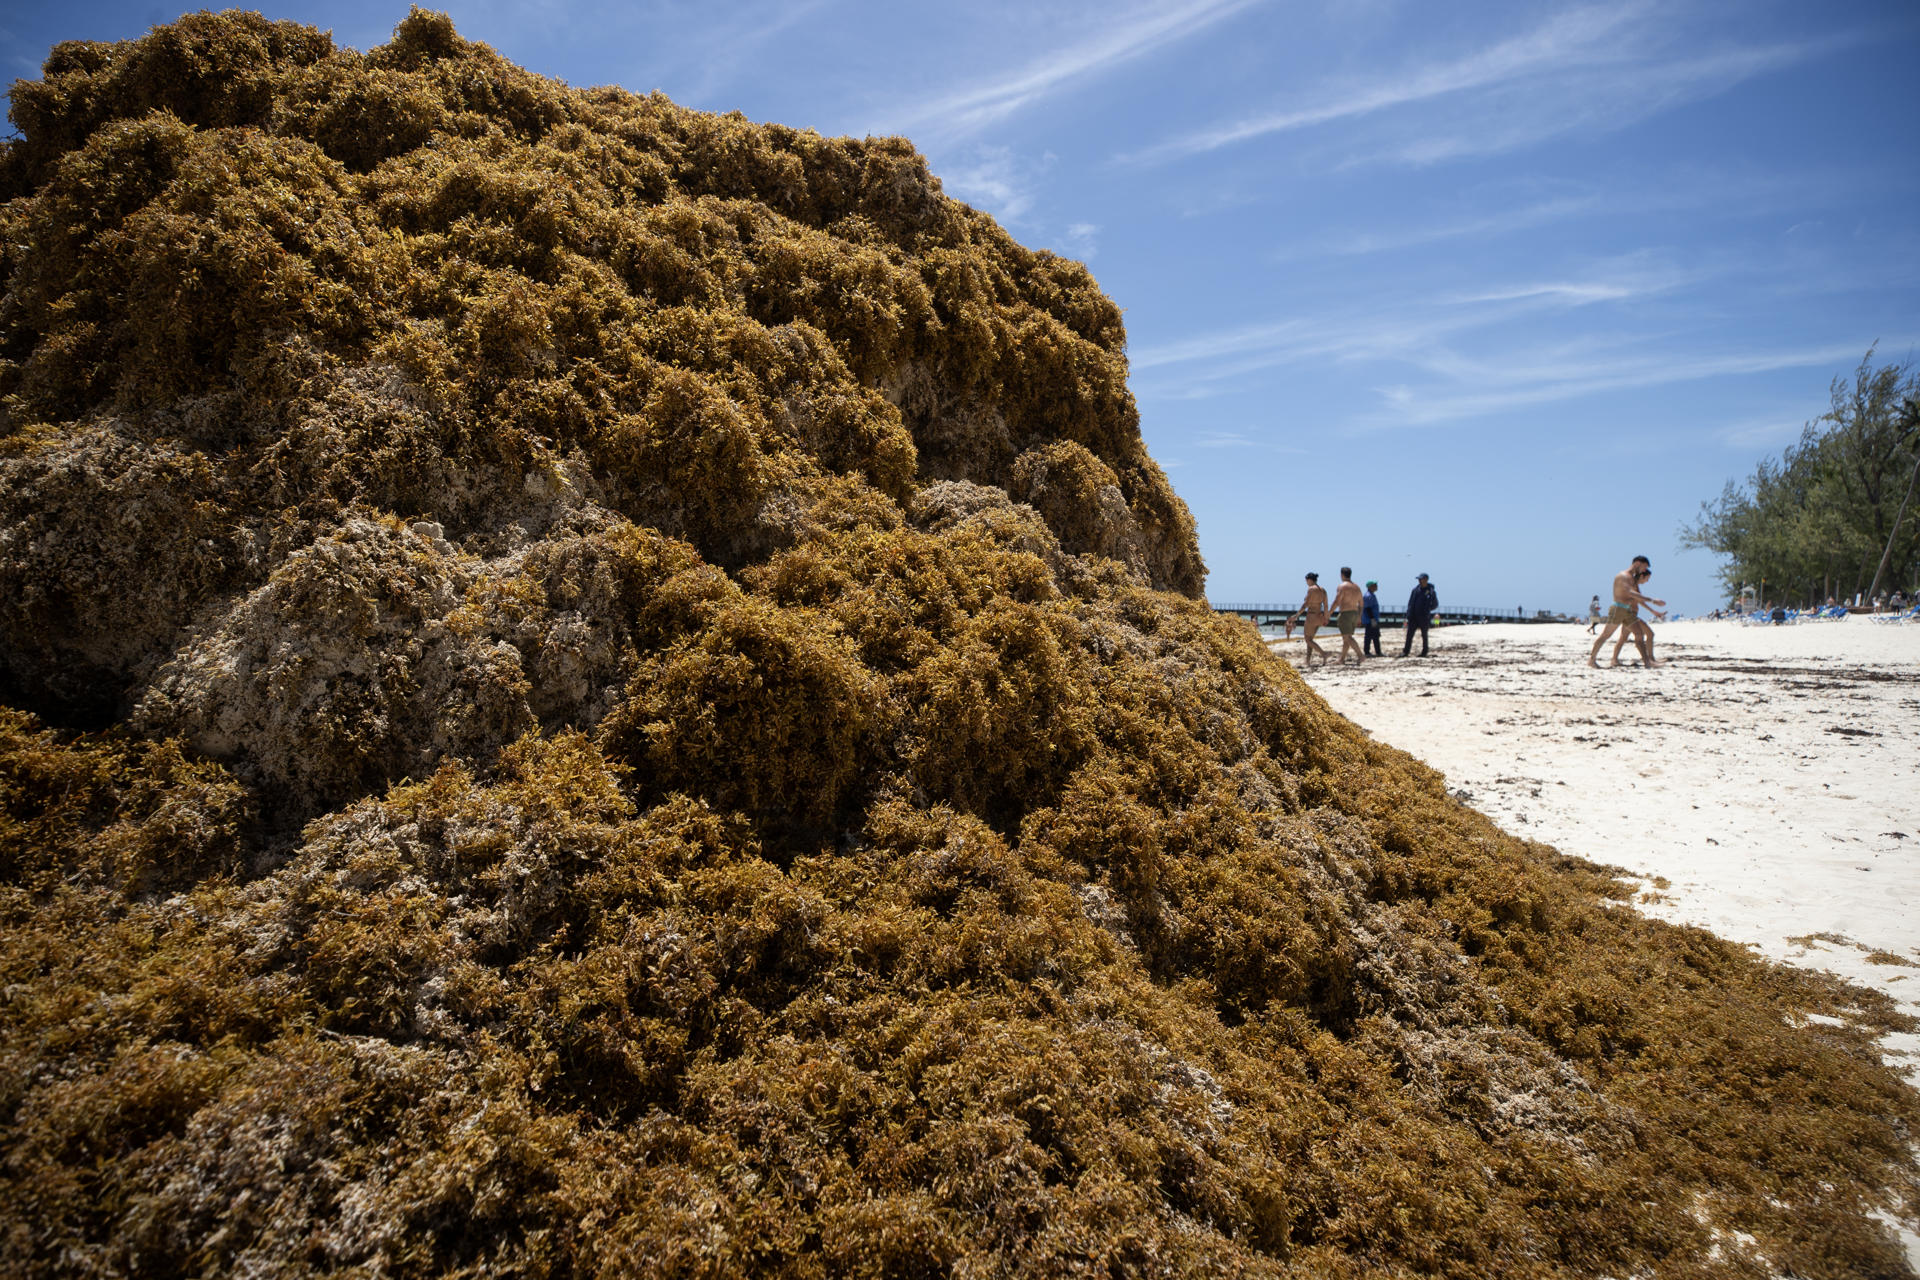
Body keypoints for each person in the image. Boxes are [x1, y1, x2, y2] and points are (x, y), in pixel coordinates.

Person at [1588, 556, 1664, 668]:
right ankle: (1592, 660)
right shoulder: (1623, 576)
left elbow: (1636, 597)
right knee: (1606, 635)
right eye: (1644, 567)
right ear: (1638, 563)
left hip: (1628, 611)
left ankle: (1648, 663)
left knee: (1639, 634)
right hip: (1618, 609)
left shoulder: (1632, 578)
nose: (1644, 570)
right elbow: (1630, 593)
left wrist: (1653, 610)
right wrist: (1652, 600)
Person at [1287, 572, 1331, 667]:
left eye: (1306, 580)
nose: (1306, 582)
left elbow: (1305, 604)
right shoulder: (1323, 590)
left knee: (1307, 640)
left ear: (1310, 580)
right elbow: (1326, 606)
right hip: (1319, 616)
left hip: (1311, 616)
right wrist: (1326, 618)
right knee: (1310, 640)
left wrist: (1296, 615)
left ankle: (1324, 654)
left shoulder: (1311, 589)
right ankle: (1307, 660)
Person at [1330, 567, 1365, 665]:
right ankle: (1342, 659)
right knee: (1346, 638)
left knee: (1347, 638)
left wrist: (1329, 613)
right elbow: (1361, 604)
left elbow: (1337, 601)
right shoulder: (1357, 587)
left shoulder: (1342, 586)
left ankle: (1360, 655)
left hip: (1345, 613)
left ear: (1342, 575)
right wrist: (1359, 616)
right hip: (1355, 613)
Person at [1401, 573, 1437, 657]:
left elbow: (1435, 604)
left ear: (1426, 580)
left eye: (1421, 579)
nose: (1419, 581)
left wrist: (1427, 610)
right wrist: (1408, 614)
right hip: (1413, 616)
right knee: (1409, 635)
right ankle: (1405, 651)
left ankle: (1424, 652)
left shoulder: (1431, 591)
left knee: (1424, 635)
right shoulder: (1415, 590)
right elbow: (1410, 603)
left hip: (1424, 617)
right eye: (1419, 579)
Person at [1361, 579, 1383, 656]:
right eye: (1375, 585)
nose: (1376, 586)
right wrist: (1372, 619)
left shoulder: (1372, 595)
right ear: (1370, 586)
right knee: (1369, 636)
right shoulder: (1368, 596)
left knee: (1375, 635)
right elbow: (1368, 608)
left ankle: (1378, 652)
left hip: (1373, 619)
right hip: (1370, 620)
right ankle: (1367, 652)